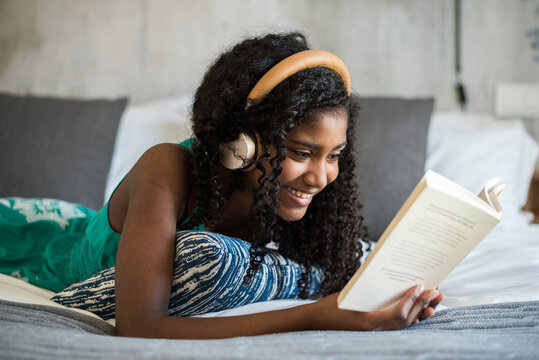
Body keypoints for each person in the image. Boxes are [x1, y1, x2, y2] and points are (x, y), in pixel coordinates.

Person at [0, 32, 443, 339]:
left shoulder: (295, 202)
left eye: (334, 156)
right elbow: (140, 328)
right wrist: (320, 315)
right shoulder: (168, 167)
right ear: (242, 143)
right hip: (42, 241)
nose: (321, 177)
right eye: (302, 153)